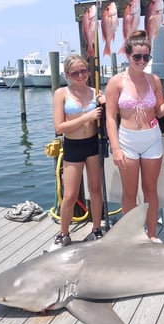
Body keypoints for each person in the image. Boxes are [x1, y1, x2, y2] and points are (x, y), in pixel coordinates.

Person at [105, 30, 164, 242]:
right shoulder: (116, 82)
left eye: (146, 57)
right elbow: (110, 118)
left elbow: (159, 111)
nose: (142, 61)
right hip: (127, 140)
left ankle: (152, 234)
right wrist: (116, 148)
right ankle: (131, 237)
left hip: (151, 138)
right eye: (137, 56)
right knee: (129, 192)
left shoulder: (154, 80)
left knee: (151, 190)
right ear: (128, 56)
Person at [52, 54, 105, 248]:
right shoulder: (61, 94)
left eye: (83, 71)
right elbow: (59, 127)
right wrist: (86, 117)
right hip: (73, 147)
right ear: (67, 75)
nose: (80, 75)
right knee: (70, 194)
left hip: (92, 144)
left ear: (89, 72)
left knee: (96, 189)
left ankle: (97, 229)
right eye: (75, 72)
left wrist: (105, 102)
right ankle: (63, 234)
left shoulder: (96, 91)